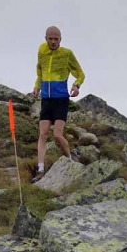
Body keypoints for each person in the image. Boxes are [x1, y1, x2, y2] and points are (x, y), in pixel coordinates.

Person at [31, 26, 85, 181]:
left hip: (61, 99)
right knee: (42, 134)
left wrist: (76, 85)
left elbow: (80, 74)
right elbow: (39, 72)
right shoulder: (41, 51)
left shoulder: (67, 54)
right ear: (45, 38)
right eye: (50, 38)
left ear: (60, 39)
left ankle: (69, 161)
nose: (53, 42)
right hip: (46, 99)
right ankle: (40, 170)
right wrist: (36, 87)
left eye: (56, 39)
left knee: (57, 135)